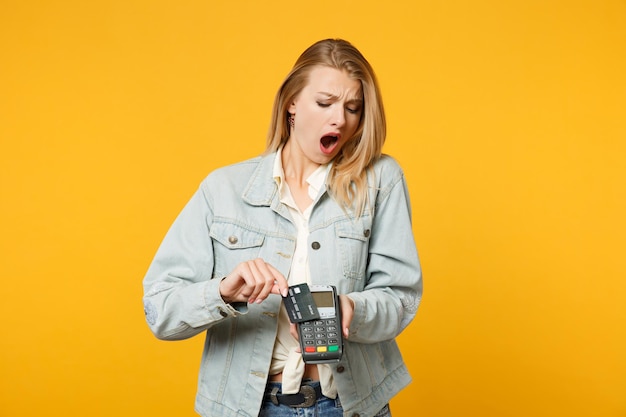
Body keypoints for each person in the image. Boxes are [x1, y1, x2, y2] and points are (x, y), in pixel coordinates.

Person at [143, 38, 422, 417]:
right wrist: (224, 293)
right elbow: (159, 310)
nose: (339, 119)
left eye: (352, 108)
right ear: (291, 102)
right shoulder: (223, 190)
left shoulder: (380, 181)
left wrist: (351, 308)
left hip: (351, 404)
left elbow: (401, 298)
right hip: (251, 407)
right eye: (324, 103)